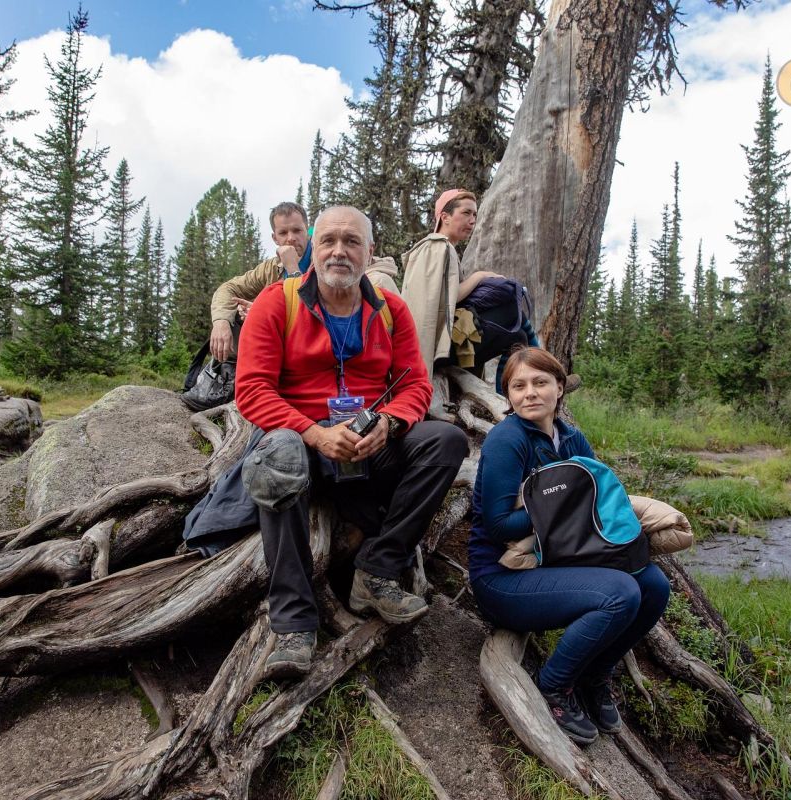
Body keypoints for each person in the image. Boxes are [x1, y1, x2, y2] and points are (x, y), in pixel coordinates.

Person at [235, 205, 467, 678]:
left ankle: (377, 569)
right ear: (314, 248)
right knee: (279, 457)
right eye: (329, 240)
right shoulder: (276, 303)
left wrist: (390, 423)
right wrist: (315, 434)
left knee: (446, 441)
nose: (339, 251)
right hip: (301, 440)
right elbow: (252, 390)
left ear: (369, 252)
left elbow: (414, 385)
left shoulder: (390, 310)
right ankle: (294, 623)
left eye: (352, 241)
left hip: (367, 444)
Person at [468, 347, 669, 744]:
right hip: (503, 578)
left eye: (540, 382)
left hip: (557, 560)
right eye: (518, 386)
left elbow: (597, 499)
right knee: (620, 593)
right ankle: (554, 685)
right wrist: (561, 503)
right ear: (508, 395)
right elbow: (497, 525)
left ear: (559, 388)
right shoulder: (507, 441)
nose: (530, 393)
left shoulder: (571, 438)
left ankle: (596, 675)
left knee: (653, 585)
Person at [208, 201, 401, 363]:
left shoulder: (332, 262)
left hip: (332, 355)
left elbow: (319, 317)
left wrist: (292, 269)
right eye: (283, 233)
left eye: (297, 230)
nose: (291, 239)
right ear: (274, 238)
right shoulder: (270, 268)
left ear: (308, 233)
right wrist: (221, 321)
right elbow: (228, 288)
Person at [400, 189, 536, 393]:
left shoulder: (440, 248)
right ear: (445, 217)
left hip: (443, 340)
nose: (472, 220)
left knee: (517, 335)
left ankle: (517, 389)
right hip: (435, 345)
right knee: (512, 315)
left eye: (474, 215)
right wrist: (479, 276)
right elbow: (448, 298)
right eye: (466, 213)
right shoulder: (437, 247)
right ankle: (533, 378)